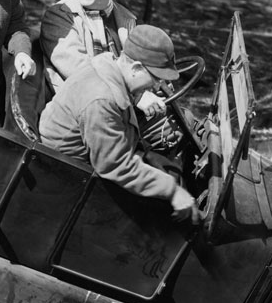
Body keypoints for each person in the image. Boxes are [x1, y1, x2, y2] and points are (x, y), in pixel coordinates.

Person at [39, 24, 198, 223]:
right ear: (136, 68)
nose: (158, 86)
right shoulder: (102, 98)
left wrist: (145, 154)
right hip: (70, 175)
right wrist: (172, 191)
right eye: (156, 78)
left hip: (91, 159)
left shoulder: (108, 66)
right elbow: (113, 164)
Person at [39, 0, 165, 118]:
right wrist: (136, 96)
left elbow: (136, 66)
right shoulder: (60, 16)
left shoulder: (126, 19)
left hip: (119, 107)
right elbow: (81, 72)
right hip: (79, 111)